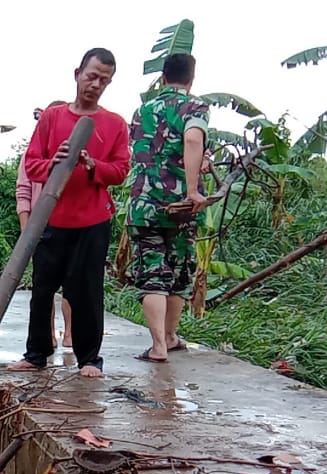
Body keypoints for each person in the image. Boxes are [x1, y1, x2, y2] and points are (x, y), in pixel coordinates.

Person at [7, 49, 131, 378]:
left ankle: (90, 359)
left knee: (87, 291)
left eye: (104, 80)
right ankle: (36, 354)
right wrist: (55, 162)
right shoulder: (53, 118)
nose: (96, 84)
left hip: (92, 221)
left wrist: (94, 166)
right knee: (43, 289)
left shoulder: (114, 124)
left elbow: (120, 171)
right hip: (52, 219)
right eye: (91, 76)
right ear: (77, 73)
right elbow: (32, 164)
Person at [126, 53, 210, 363]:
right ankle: (170, 337)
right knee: (177, 272)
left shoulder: (142, 111)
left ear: (162, 78)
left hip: (144, 205)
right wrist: (191, 189)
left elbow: (137, 151)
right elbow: (191, 141)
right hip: (181, 204)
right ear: (191, 79)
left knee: (152, 273)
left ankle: (159, 344)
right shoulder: (195, 107)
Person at [16, 100, 73, 349]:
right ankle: (46, 337)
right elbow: (23, 190)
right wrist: (27, 229)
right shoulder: (33, 153)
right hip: (42, 225)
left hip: (73, 224)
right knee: (43, 287)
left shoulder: (75, 152)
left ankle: (71, 334)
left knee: (74, 285)